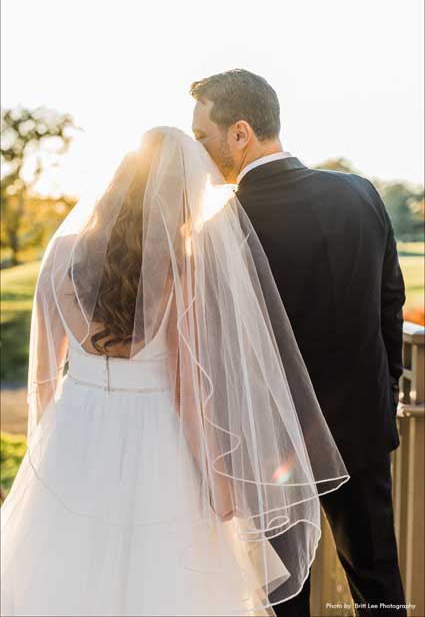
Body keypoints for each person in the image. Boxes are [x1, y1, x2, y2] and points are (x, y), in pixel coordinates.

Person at [0, 127, 349, 616]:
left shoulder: (62, 255)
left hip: (74, 431)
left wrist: (44, 448)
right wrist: (219, 486)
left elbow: (41, 374)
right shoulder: (178, 267)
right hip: (154, 436)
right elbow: (189, 394)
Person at [191, 69, 407, 617]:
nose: (200, 153)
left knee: (283, 597)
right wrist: (381, 394)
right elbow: (390, 305)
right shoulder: (359, 193)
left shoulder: (224, 223)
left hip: (273, 444)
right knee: (378, 581)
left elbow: (215, 342)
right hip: (361, 425)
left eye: (204, 139)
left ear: (240, 133)